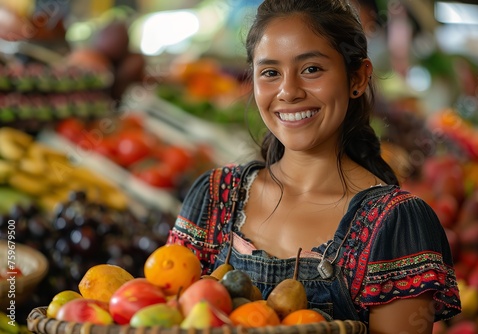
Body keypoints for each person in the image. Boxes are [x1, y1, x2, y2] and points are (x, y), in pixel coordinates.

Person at [167, 0, 461, 332]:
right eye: (270, 72)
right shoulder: (214, 196)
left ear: (358, 78)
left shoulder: (395, 223)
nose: (288, 91)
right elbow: (168, 310)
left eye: (311, 69)